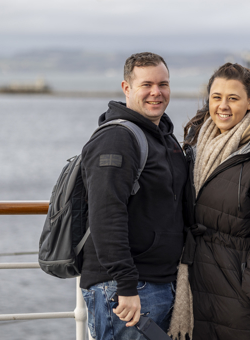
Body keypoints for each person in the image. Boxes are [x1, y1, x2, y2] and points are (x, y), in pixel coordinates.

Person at [169, 63, 250, 340]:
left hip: (243, 298)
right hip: (200, 288)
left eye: (233, 98)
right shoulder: (196, 143)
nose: (223, 106)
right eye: (216, 97)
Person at [80, 52, 188, 340]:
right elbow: (106, 214)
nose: (157, 92)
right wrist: (125, 285)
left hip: (159, 283)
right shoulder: (116, 139)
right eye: (146, 85)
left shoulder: (163, 137)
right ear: (126, 88)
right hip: (128, 289)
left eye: (163, 84)